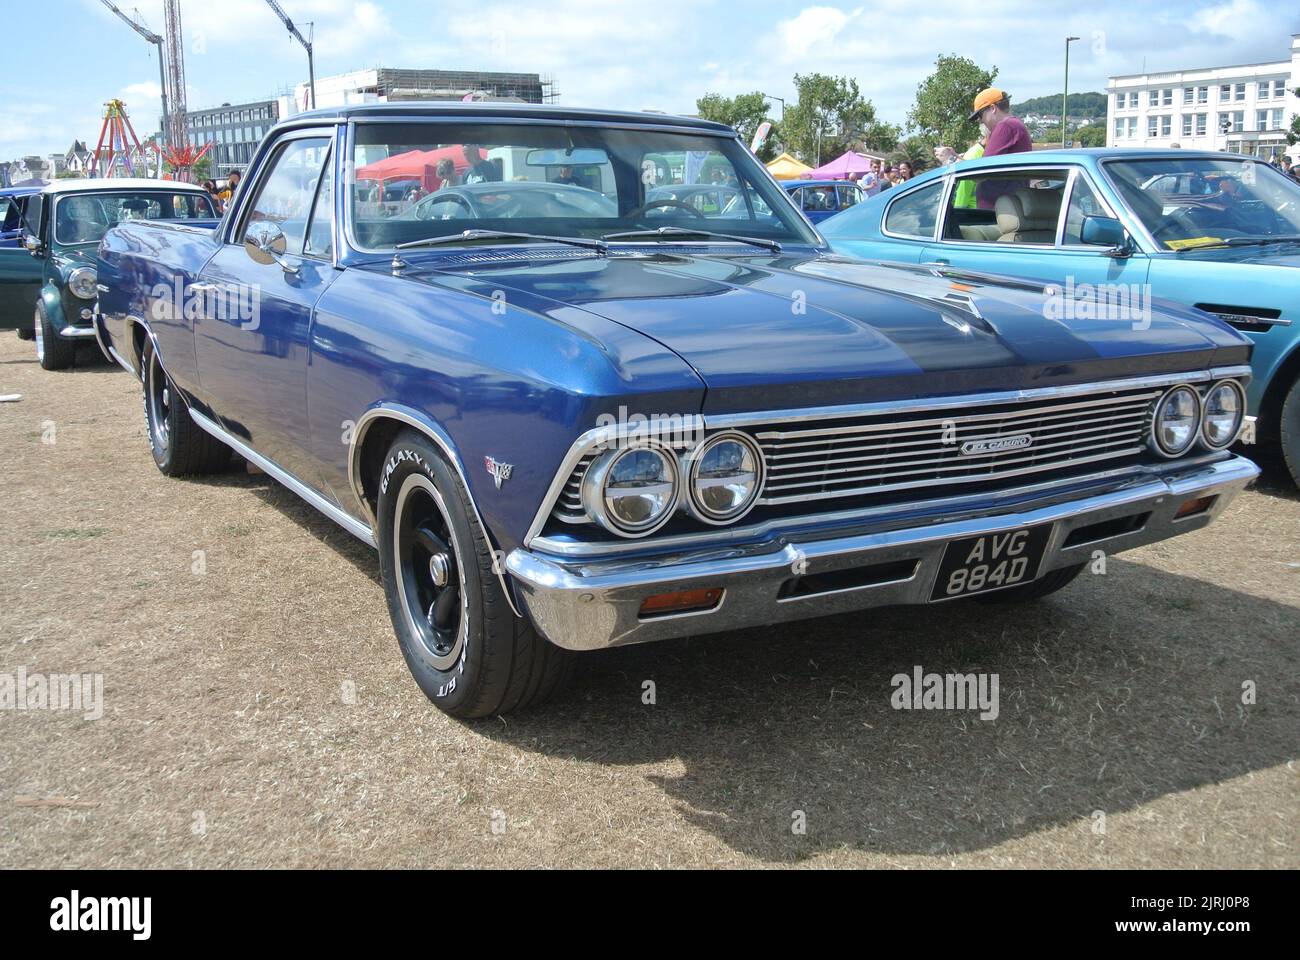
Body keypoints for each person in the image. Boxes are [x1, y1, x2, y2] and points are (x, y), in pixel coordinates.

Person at [968, 88, 1030, 209]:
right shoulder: (1014, 125)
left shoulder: (1005, 126)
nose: (980, 120)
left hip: (999, 214)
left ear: (993, 108)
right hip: (1005, 211)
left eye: (980, 115)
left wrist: (951, 160)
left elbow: (980, 172)